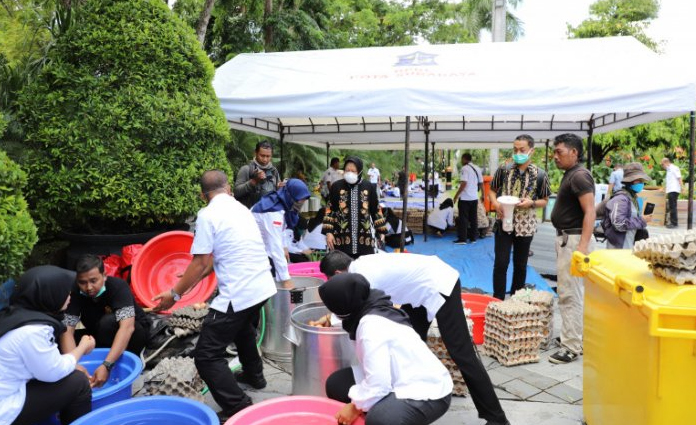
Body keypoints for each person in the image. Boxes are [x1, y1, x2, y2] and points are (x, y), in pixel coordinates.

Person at [317, 251, 511, 425]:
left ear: (337, 275)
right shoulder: (360, 267)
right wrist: (329, 318)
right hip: (416, 294)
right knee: (409, 343)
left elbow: (356, 308)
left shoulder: (363, 277)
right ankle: (395, 399)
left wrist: (331, 319)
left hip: (438, 284)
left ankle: (496, 418)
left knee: (462, 353)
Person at [152, 170, 276, 421]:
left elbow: (200, 263)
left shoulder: (207, 215)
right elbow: (208, 263)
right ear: (229, 188)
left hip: (240, 291)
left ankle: (238, 406)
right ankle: (255, 376)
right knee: (241, 330)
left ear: (202, 195)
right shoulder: (241, 209)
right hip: (263, 286)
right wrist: (189, 278)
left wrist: (174, 296)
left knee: (207, 355)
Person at [319, 273, 452, 425]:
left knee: (380, 419)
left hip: (427, 389)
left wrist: (355, 407)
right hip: (395, 374)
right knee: (337, 384)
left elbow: (378, 383)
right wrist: (328, 319)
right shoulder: (371, 303)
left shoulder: (371, 327)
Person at [0, 265, 95, 425]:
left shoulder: (16, 314)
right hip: (5, 407)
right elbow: (53, 371)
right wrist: (82, 347)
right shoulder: (32, 331)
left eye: (94, 281)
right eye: (65, 292)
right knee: (79, 383)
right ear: (50, 295)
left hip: (12, 386)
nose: (89, 287)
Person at [60, 255, 152, 388]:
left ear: (104, 275)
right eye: (82, 282)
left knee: (107, 323)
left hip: (133, 333)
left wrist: (107, 365)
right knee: (59, 335)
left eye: (93, 281)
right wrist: (73, 365)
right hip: (98, 333)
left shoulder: (117, 287)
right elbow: (67, 331)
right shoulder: (75, 292)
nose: (88, 287)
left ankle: (125, 359)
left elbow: (127, 328)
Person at [550, 133, 596, 364]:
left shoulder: (579, 176)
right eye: (554, 152)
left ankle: (571, 347)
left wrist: (583, 247)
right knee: (574, 293)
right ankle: (574, 337)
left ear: (574, 152)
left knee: (569, 295)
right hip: (569, 240)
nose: (555, 156)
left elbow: (590, 211)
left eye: (559, 152)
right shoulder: (572, 174)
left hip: (575, 241)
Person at [489, 135, 551, 301]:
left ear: (531, 151)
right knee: (501, 264)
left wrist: (531, 203)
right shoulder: (504, 169)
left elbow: (545, 201)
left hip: (526, 225)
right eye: (515, 149)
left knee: (520, 265)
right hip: (503, 222)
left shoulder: (540, 175)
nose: (517, 153)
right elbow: (492, 190)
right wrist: (496, 205)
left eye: (522, 150)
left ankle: (516, 302)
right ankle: (498, 300)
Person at [323, 156, 388, 258]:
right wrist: (328, 233)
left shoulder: (368, 187)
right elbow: (329, 210)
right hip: (341, 238)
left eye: (353, 171)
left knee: (363, 267)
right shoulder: (336, 186)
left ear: (360, 171)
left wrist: (381, 231)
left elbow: (375, 210)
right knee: (341, 266)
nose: (350, 173)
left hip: (364, 239)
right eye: (347, 170)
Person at [251, 178, 311, 286]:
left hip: (262, 249)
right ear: (291, 196)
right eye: (299, 200)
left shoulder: (279, 202)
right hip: (251, 253)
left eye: (304, 200)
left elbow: (281, 230)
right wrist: (286, 279)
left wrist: (284, 246)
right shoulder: (273, 212)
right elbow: (275, 246)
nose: (301, 203)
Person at [602, 163, 652, 249]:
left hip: (628, 244)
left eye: (642, 181)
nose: (641, 183)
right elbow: (619, 224)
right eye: (638, 180)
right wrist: (641, 221)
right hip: (618, 248)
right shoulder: (621, 199)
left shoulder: (633, 198)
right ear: (629, 181)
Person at [234, 140, 282, 209]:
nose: (265, 159)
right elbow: (236, 192)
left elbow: (277, 192)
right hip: (250, 214)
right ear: (255, 153)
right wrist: (254, 181)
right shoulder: (246, 169)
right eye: (262, 156)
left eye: (268, 156)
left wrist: (280, 188)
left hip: (268, 214)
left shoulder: (274, 171)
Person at [453, 153, 483, 244]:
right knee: (474, 218)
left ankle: (462, 239)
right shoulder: (477, 168)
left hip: (465, 198)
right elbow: (481, 183)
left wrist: (456, 195)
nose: (461, 161)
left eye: (462, 159)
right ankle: (473, 238)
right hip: (474, 198)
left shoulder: (464, 168)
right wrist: (483, 195)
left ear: (464, 159)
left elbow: (464, 183)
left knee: (463, 219)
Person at [661, 157, 682, 228]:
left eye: (662, 164)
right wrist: (664, 188)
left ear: (666, 162)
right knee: (672, 206)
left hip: (674, 190)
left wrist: (682, 188)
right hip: (671, 190)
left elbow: (679, 178)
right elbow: (669, 181)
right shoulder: (668, 170)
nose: (662, 166)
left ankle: (674, 223)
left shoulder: (674, 168)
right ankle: (674, 222)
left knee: (672, 207)